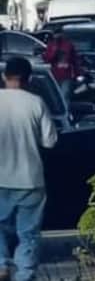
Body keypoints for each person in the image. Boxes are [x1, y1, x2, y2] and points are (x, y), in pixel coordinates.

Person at [0, 57, 58, 281]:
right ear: (29, 79)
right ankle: (24, 273)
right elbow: (50, 141)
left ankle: (2, 265)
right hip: (30, 179)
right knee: (28, 232)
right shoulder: (37, 103)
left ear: (5, 76)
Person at [41, 29, 81, 105]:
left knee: (65, 94)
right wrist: (54, 51)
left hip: (66, 75)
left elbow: (74, 59)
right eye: (56, 35)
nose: (58, 37)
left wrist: (77, 73)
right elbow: (47, 59)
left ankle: (66, 112)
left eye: (59, 34)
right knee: (55, 95)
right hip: (54, 75)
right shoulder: (51, 45)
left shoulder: (68, 45)